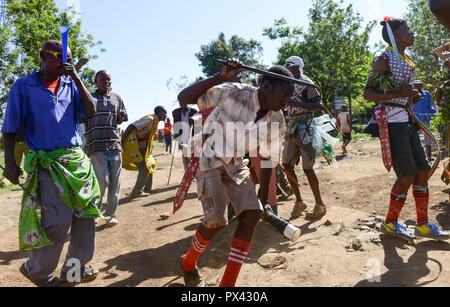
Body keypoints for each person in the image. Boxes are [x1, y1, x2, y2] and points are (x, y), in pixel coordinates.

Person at [176, 59, 294, 287]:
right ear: (266, 85)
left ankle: (227, 285)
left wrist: (264, 198)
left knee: (252, 215)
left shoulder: (277, 119)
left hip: (235, 162)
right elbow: (184, 99)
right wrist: (220, 77)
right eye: (285, 94)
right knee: (217, 220)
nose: (288, 101)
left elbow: (269, 157)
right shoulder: (234, 92)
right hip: (208, 156)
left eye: (290, 95)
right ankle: (188, 262)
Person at [1, 40, 102, 287]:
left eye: (66, 58)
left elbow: (91, 110)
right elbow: (10, 128)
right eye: (56, 57)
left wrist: (77, 78)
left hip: (77, 163)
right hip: (48, 164)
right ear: (42, 56)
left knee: (85, 219)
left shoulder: (71, 84)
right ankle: (35, 270)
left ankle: (73, 271)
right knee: (56, 222)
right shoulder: (23, 86)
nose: (62, 62)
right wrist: (11, 163)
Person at [363, 18, 449, 242]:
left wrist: (412, 95)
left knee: (422, 170)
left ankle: (422, 225)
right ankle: (390, 223)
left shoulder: (406, 60)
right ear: (395, 35)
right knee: (407, 174)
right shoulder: (383, 60)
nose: (412, 33)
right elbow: (368, 94)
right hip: (393, 123)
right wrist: (397, 95)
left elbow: (401, 91)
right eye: (407, 30)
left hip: (407, 120)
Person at [281, 56, 326, 219]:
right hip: (292, 126)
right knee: (286, 164)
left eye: (289, 66)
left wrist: (296, 104)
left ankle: (320, 204)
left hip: (306, 126)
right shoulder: (286, 85)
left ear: (297, 67)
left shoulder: (307, 83)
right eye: (285, 65)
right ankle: (299, 201)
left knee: (308, 168)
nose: (286, 68)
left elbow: (318, 106)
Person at [84, 70, 128, 226]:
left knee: (115, 183)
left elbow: (121, 119)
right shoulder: (89, 98)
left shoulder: (117, 98)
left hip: (115, 145)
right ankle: (95, 212)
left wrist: (121, 116)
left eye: (108, 79)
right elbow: (81, 118)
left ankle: (111, 214)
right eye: (102, 79)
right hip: (96, 147)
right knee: (102, 181)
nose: (106, 82)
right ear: (95, 81)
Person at [122, 106, 167, 197]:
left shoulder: (155, 121)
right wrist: (122, 141)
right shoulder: (150, 119)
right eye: (165, 113)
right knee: (144, 168)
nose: (166, 116)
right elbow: (132, 126)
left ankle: (147, 188)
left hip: (144, 149)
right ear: (161, 113)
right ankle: (137, 191)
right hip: (136, 147)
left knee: (150, 164)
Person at [412, 80, 436, 161]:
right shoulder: (411, 95)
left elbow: (430, 106)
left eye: (419, 85)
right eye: (415, 85)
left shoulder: (427, 94)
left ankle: (428, 156)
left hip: (426, 118)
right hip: (415, 119)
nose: (417, 87)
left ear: (421, 86)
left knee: (428, 137)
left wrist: (434, 114)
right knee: (415, 137)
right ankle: (417, 157)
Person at [172, 102, 198, 171]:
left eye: (184, 101)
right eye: (180, 102)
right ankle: (187, 173)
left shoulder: (194, 112)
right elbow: (175, 125)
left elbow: (198, 125)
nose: (182, 103)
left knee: (193, 157)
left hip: (192, 137)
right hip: (182, 138)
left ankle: (194, 173)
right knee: (185, 157)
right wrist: (176, 134)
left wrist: (194, 122)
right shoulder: (176, 112)